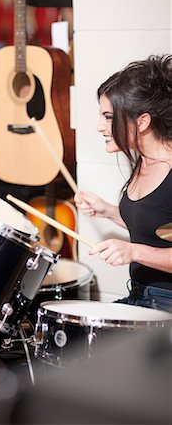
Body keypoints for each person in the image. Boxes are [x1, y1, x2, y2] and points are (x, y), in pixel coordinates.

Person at [74, 54, 172, 313]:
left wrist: (134, 252)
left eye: (108, 116)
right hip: (140, 296)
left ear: (142, 122)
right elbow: (159, 225)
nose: (99, 126)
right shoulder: (144, 159)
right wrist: (107, 210)